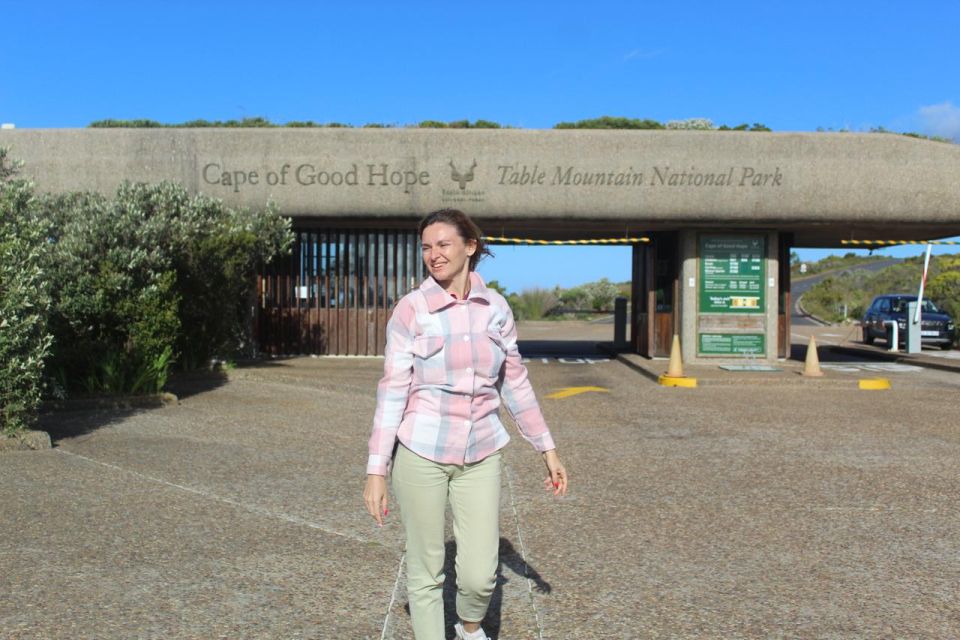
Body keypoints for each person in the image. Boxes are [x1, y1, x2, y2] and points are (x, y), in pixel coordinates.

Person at [363, 208, 568, 640]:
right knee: (426, 568)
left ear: (470, 247)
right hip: (421, 451)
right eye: (426, 247)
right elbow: (392, 391)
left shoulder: (495, 309)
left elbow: (514, 383)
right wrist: (376, 469)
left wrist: (546, 448)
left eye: (443, 244)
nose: (433, 255)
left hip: (481, 452)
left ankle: (470, 627)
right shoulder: (411, 310)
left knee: (479, 575)